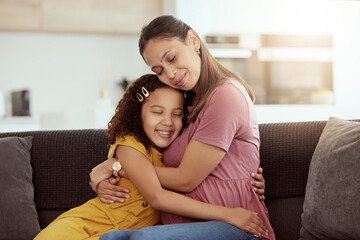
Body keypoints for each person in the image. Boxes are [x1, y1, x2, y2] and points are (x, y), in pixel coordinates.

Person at [94, 15, 275, 240]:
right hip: (188, 227)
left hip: (237, 226)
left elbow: (185, 179)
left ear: (193, 41)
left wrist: (118, 167)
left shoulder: (225, 96)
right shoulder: (183, 106)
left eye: (172, 58)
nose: (169, 73)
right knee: (110, 238)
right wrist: (118, 170)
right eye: (158, 70)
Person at [33, 74, 267, 240]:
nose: (167, 121)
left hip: (120, 235)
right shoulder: (129, 143)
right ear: (139, 114)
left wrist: (249, 181)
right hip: (84, 225)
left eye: (177, 114)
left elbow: (213, 161)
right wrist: (119, 165)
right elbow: (158, 197)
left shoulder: (177, 150)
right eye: (157, 112)